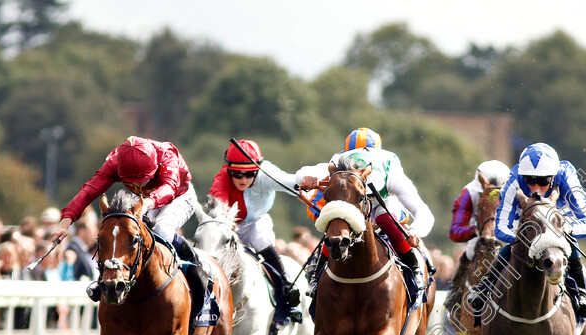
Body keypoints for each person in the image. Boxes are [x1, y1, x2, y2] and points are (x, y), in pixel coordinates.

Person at [50, 136, 206, 302]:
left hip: (178, 196)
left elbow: (169, 188)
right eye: (133, 182)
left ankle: (194, 265)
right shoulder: (114, 162)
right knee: (126, 231)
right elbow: (88, 191)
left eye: (143, 180)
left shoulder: (167, 155)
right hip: (144, 200)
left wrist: (146, 204)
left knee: (162, 229)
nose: (139, 186)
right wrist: (66, 221)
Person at [299, 127, 435, 295]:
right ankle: (316, 273)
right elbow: (303, 173)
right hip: (354, 204)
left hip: (383, 204)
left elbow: (422, 210)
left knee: (384, 218)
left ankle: (414, 269)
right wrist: (305, 179)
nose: (354, 165)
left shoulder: (390, 173)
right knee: (337, 217)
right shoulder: (341, 164)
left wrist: (416, 230)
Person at [467, 142, 586, 318]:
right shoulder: (514, 179)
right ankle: (485, 286)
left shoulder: (566, 176)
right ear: (523, 176)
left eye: (543, 181)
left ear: (553, 177)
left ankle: (581, 292)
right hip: (528, 219)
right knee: (511, 246)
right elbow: (501, 227)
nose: (536, 188)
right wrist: (525, 238)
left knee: (570, 242)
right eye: (530, 181)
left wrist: (563, 230)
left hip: (560, 216)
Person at [208, 139, 302, 313]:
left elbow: (292, 182)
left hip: (256, 223)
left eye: (250, 174)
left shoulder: (266, 173)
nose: (243, 179)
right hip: (229, 226)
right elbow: (218, 210)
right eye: (237, 174)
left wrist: (309, 183)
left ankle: (286, 288)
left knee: (258, 237)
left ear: (258, 169)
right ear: (228, 170)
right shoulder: (221, 180)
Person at [444, 160, 511, 310]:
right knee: (469, 251)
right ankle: (455, 295)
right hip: (480, 234)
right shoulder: (469, 194)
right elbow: (455, 231)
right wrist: (475, 230)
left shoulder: (515, 191)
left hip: (507, 233)